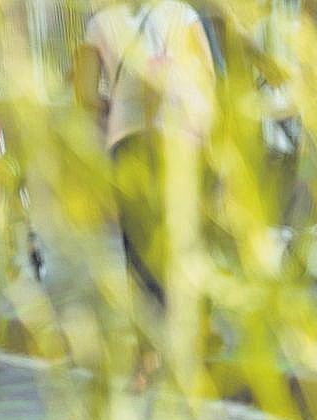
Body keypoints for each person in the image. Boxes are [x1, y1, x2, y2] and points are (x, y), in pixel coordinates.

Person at [76, 0, 216, 386]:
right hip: (182, 143)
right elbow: (208, 76)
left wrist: (116, 105)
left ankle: (148, 358)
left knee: (139, 252)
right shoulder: (183, 14)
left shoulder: (100, 23)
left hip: (131, 143)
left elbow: (84, 93)